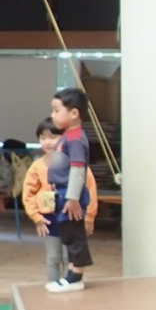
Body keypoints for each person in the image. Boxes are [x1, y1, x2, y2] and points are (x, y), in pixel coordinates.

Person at [22, 118, 99, 287]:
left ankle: (69, 284)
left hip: (71, 215)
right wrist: (36, 216)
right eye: (43, 138)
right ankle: (53, 285)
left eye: (53, 137)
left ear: (63, 139)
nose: (47, 142)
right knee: (53, 257)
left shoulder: (77, 163)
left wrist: (89, 217)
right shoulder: (37, 166)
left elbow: (90, 188)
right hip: (49, 218)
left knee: (70, 255)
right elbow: (28, 193)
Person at [44, 88, 93, 293]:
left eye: (57, 110)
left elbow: (78, 169)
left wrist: (72, 198)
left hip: (68, 195)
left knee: (74, 236)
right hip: (62, 194)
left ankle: (75, 276)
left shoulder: (74, 139)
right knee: (68, 234)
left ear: (74, 113)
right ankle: (71, 275)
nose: (53, 115)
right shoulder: (68, 136)